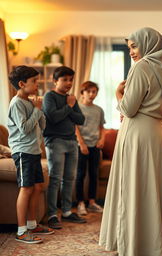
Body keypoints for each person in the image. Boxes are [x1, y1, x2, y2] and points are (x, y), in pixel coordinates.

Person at [99, 27, 162, 256]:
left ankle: (134, 242)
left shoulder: (142, 66)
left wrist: (118, 95)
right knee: (150, 186)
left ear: (147, 44)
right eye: (129, 47)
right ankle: (152, 242)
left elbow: (129, 108)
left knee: (133, 184)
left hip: (137, 132)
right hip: (156, 131)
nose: (131, 51)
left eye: (134, 46)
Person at [8, 66, 54, 244]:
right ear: (21, 84)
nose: (38, 84)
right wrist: (36, 110)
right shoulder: (17, 103)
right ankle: (21, 230)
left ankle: (32, 224)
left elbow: (42, 126)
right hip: (22, 151)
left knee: (36, 187)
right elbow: (25, 128)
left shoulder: (30, 102)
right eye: (34, 81)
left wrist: (39, 110)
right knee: (26, 188)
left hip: (34, 150)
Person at [42, 66, 86, 229]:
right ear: (55, 81)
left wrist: (68, 108)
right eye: (65, 79)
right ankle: (52, 214)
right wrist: (69, 107)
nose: (69, 83)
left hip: (71, 142)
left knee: (69, 178)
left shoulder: (71, 98)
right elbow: (52, 117)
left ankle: (67, 211)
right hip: (55, 142)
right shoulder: (49, 96)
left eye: (71, 79)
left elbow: (81, 120)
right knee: (55, 179)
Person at [75, 81, 105, 215]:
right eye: (89, 91)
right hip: (81, 146)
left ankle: (92, 202)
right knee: (80, 174)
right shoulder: (77, 108)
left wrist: (102, 139)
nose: (92, 94)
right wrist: (81, 143)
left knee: (94, 174)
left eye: (94, 92)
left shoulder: (99, 110)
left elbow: (101, 127)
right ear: (83, 93)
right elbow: (75, 128)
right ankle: (81, 203)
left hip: (95, 146)